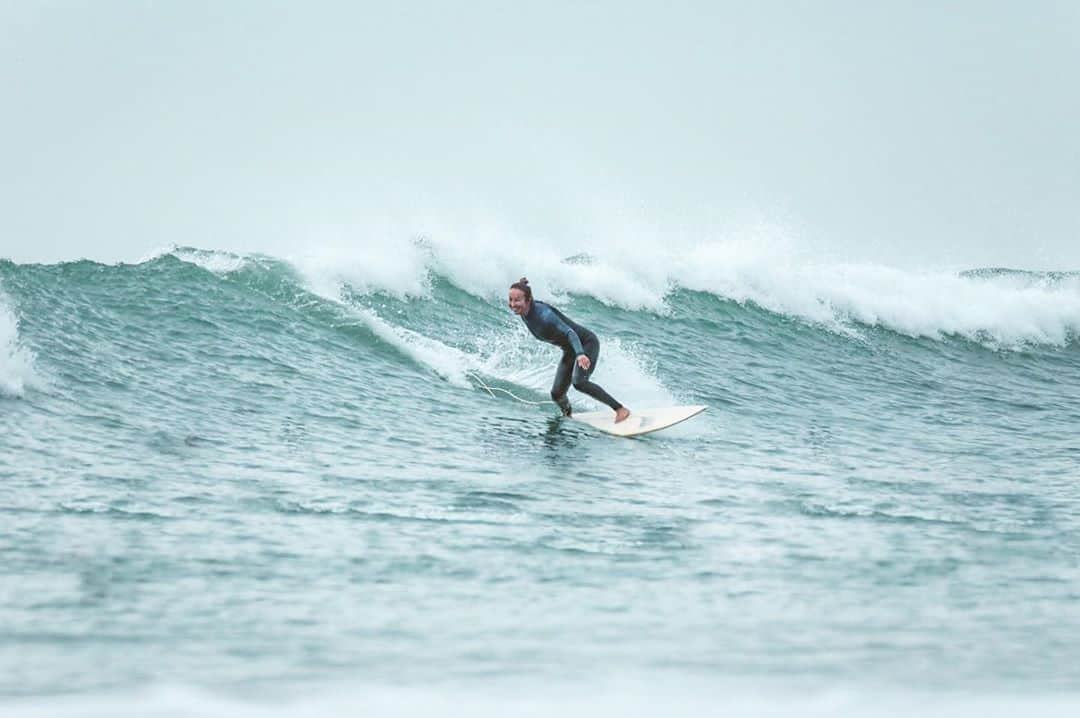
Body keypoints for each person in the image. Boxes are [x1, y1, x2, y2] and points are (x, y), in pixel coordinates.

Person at [508, 277, 631, 423]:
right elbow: (526, 297)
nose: (513, 304)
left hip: (585, 344)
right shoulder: (525, 310)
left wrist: (580, 354)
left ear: (528, 301)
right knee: (556, 394)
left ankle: (620, 409)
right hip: (570, 350)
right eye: (510, 299)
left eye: (517, 300)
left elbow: (570, 333)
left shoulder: (544, 315)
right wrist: (522, 285)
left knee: (579, 382)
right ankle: (567, 415)